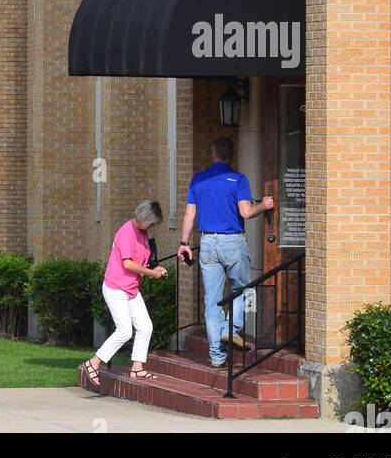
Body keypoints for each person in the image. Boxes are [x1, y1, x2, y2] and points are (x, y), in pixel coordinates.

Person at [178, 136, 274, 367]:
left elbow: (190, 215)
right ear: (231, 156)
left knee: (212, 300)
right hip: (233, 242)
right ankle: (231, 329)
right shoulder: (238, 180)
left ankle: (217, 356)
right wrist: (266, 205)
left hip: (207, 242)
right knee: (245, 290)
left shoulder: (198, 180)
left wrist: (184, 243)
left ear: (212, 155)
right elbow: (247, 212)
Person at [81, 199, 167, 391]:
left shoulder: (143, 234)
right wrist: (151, 273)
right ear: (144, 217)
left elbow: (141, 262)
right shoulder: (126, 232)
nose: (153, 226)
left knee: (145, 326)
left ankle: (137, 368)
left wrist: (154, 268)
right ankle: (93, 363)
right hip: (115, 288)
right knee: (125, 330)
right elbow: (127, 264)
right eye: (152, 222)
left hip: (131, 288)